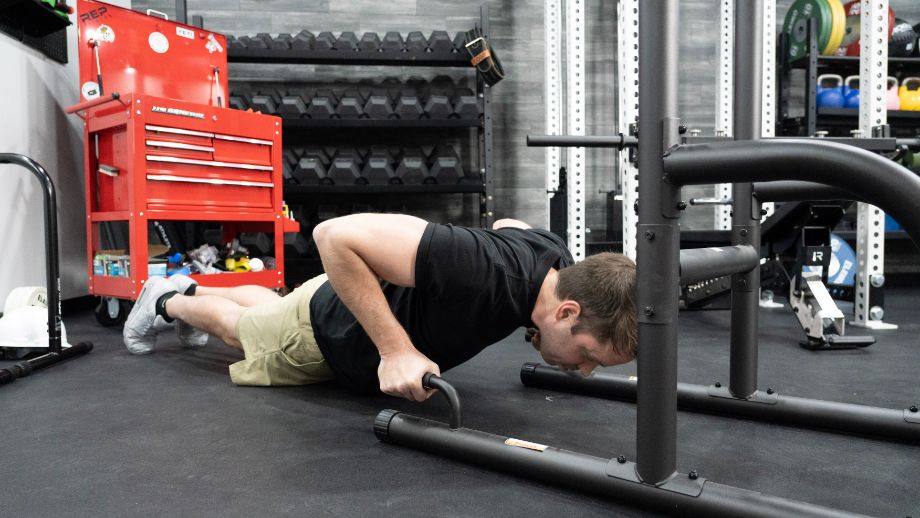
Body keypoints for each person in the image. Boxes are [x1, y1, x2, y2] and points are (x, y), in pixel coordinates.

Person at [122, 213, 638, 401]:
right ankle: (167, 300)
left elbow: (510, 226)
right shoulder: (482, 271)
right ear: (567, 312)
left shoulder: (555, 262)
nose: (586, 372)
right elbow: (334, 234)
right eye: (588, 354)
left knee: (271, 309)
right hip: (323, 334)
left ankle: (188, 288)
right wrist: (394, 349)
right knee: (243, 330)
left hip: (335, 295)